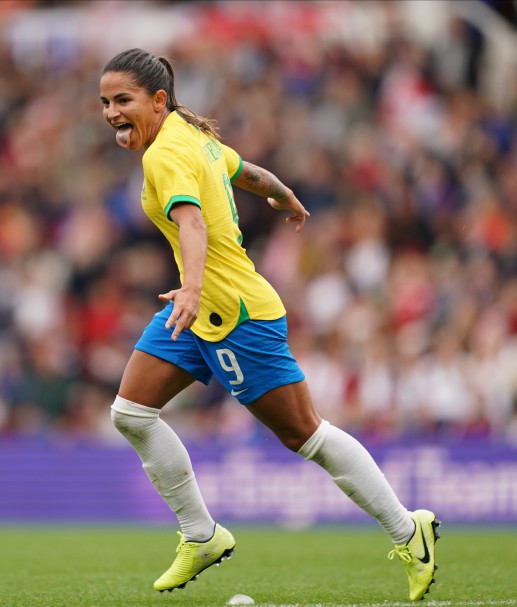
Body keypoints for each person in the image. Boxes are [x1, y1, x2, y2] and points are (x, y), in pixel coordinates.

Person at [99, 48, 439, 602]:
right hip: (198, 306)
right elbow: (246, 173)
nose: (112, 112)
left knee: (304, 434)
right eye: (106, 102)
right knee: (131, 413)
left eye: (123, 100)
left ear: (159, 101)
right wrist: (283, 193)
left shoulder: (165, 154)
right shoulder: (191, 134)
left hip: (233, 313)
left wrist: (187, 288)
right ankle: (201, 536)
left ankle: (409, 531)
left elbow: (191, 223)